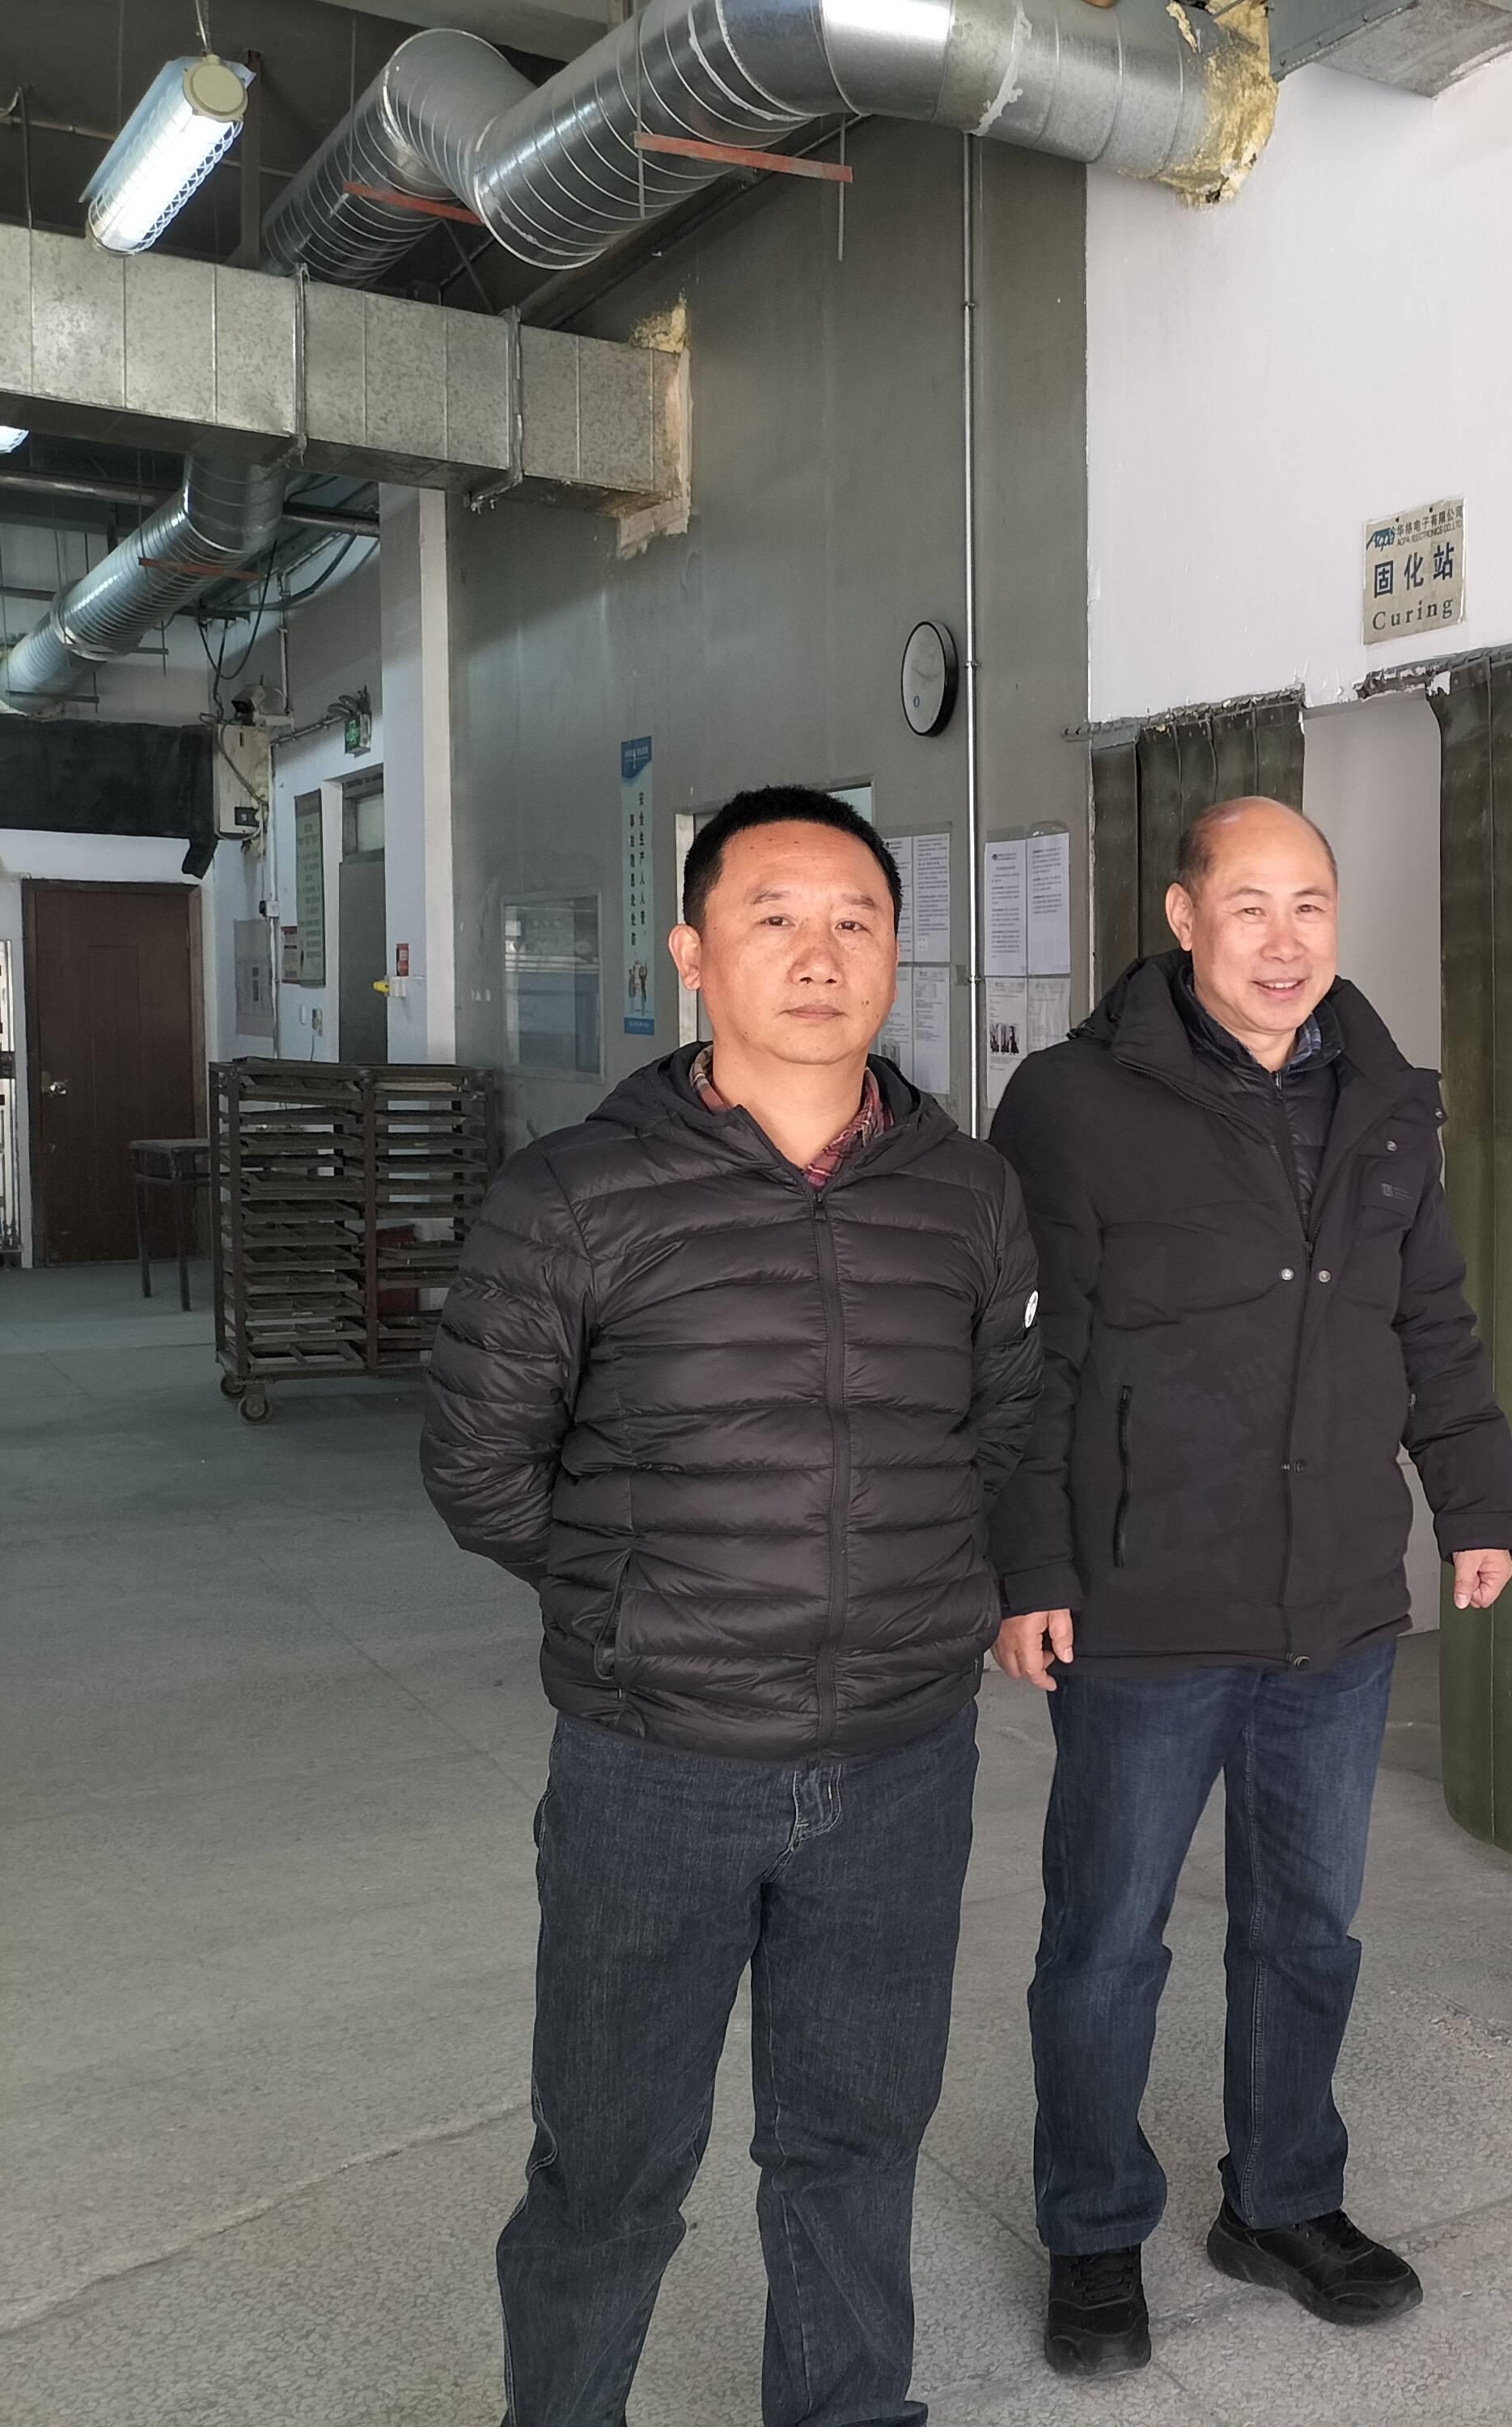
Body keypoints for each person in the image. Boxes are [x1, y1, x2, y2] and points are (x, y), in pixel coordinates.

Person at [421, 786, 1044, 2427]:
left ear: (896, 955)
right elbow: (478, 1464)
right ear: (692, 954)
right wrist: (641, 1598)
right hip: (658, 1768)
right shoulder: (576, 1194)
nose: (819, 955)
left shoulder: (968, 1192)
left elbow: (996, 1429)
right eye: (775, 919)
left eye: (854, 922)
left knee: (857, 2142)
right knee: (610, 2161)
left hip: (901, 1760)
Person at [987, 795, 1512, 2377]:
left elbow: (1431, 1321)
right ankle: (1093, 2230)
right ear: (1181, 917)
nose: (1283, 942)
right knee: (1107, 1941)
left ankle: (1282, 2200)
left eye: (1310, 908)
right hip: (1142, 1599)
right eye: (1248, 907)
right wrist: (1027, 1567)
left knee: (1306, 1928)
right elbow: (1025, 1358)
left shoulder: (1388, 1099)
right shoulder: (1072, 1103)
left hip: (1334, 1601)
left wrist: (1474, 1502)